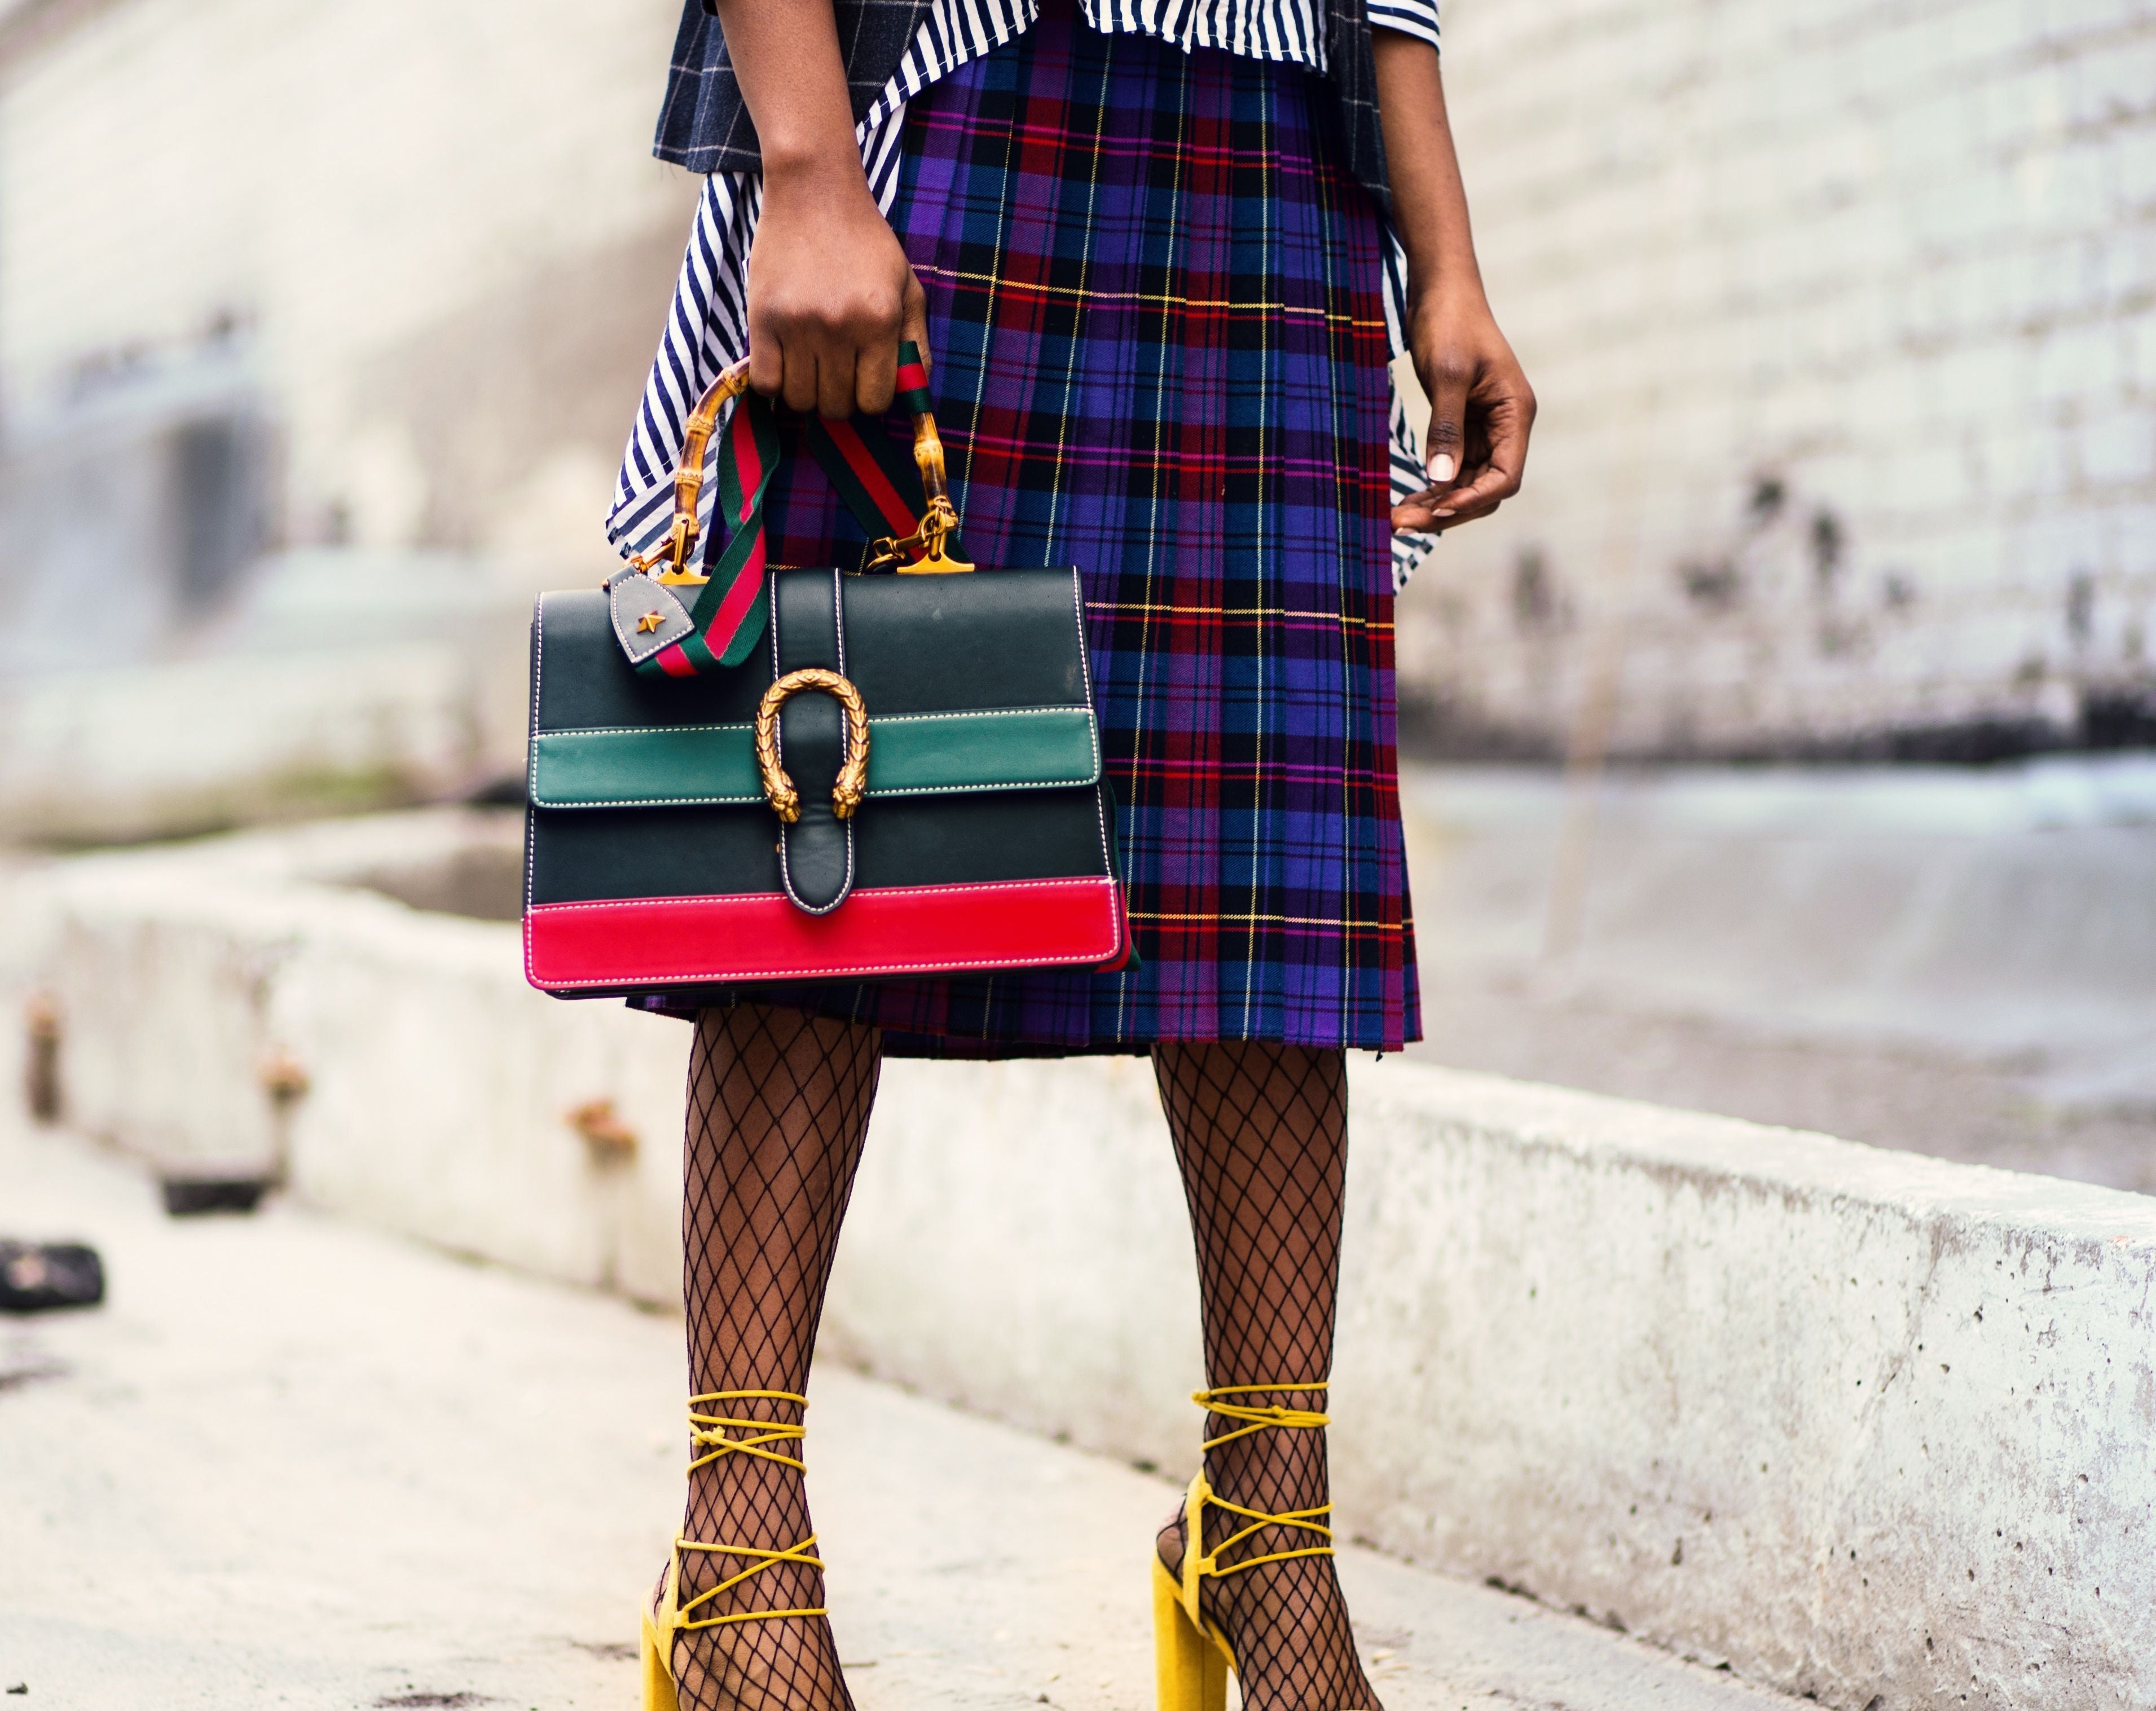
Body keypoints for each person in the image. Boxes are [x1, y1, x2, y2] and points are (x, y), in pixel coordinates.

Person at [609, 2, 1535, 1708]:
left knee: (1259, 867)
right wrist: (806, 162)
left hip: (1270, 160)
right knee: (833, 808)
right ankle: (737, 1546)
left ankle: (1268, 1538)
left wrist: (1444, 252)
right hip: (956, 99)